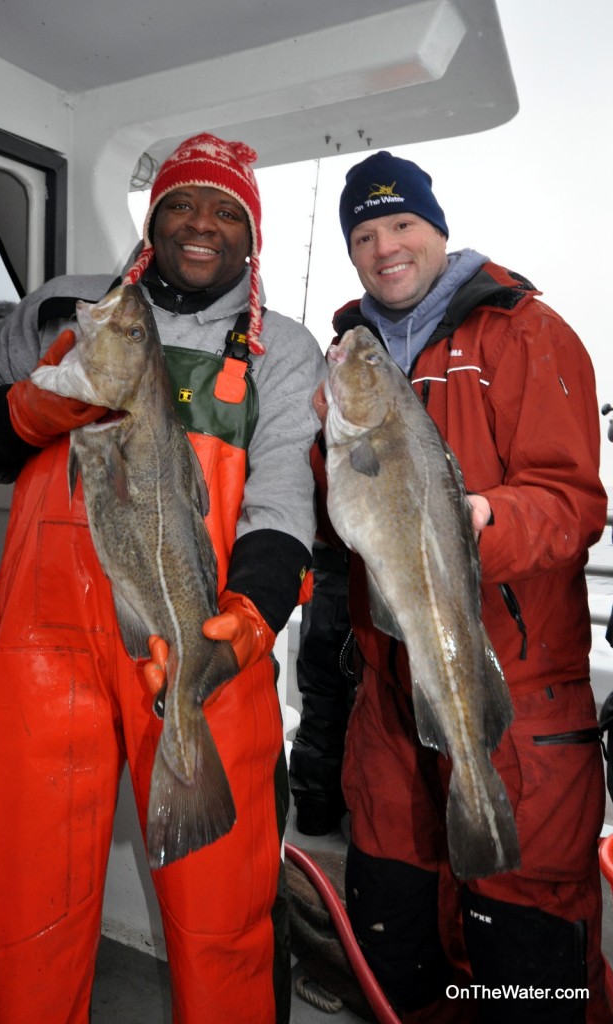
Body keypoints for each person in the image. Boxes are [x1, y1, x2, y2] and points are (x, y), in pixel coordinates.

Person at [0, 133, 325, 1024]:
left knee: (224, 924)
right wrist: (26, 409)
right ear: (153, 215)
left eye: (226, 212)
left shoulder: (283, 349)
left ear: (252, 236)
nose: (200, 225)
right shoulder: (68, 304)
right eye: (181, 203)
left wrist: (249, 617)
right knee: (19, 911)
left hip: (199, 642)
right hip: (42, 654)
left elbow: (283, 500)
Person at [313, 150, 612, 1023]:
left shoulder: (526, 332)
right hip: (388, 701)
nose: (385, 247)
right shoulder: (351, 353)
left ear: (436, 230)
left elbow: (571, 502)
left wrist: (484, 519)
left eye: (402, 224)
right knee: (396, 943)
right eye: (364, 235)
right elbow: (348, 520)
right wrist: (323, 441)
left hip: (519, 699)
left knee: (528, 961)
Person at [288, 538, 355, 835]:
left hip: (324, 577)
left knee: (318, 698)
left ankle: (314, 811)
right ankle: (347, 815)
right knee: (364, 702)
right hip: (368, 578)